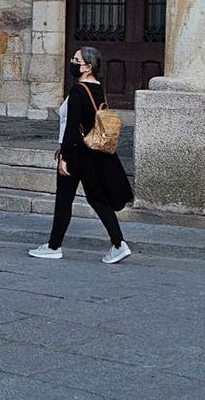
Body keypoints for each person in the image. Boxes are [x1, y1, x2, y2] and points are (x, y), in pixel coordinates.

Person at [30, 46, 134, 264]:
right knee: (97, 199)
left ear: (88, 67)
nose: (72, 62)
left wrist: (64, 156)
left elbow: (72, 126)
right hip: (92, 153)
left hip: (77, 153)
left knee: (64, 199)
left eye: (76, 60)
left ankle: (54, 246)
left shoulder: (78, 91)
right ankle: (118, 243)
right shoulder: (98, 89)